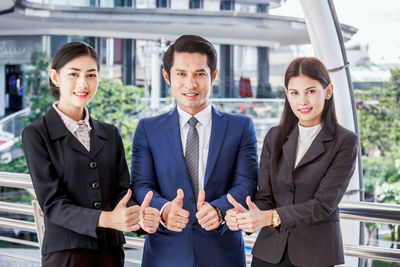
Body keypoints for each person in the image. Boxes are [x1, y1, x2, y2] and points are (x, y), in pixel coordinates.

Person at [22, 42, 160, 267]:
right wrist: (107, 219)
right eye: (73, 74)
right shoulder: (37, 134)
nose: (83, 84)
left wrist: (139, 217)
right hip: (66, 255)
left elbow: (122, 193)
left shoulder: (110, 133)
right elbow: (53, 204)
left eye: (91, 75)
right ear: (55, 77)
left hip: (110, 253)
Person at [130, 35, 258, 267]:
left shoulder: (240, 127)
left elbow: (247, 184)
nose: (190, 84)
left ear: (214, 76)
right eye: (181, 74)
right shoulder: (148, 129)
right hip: (165, 255)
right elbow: (141, 186)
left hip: (222, 254)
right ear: (167, 77)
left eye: (200, 74)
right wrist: (164, 209)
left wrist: (218, 210)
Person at [225, 57, 359, 267]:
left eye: (311, 91)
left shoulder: (345, 141)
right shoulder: (274, 136)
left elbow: (323, 205)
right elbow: (266, 197)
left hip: (315, 256)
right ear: (287, 95)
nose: (302, 101)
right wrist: (249, 216)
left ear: (328, 91)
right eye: (295, 93)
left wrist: (270, 217)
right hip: (269, 254)